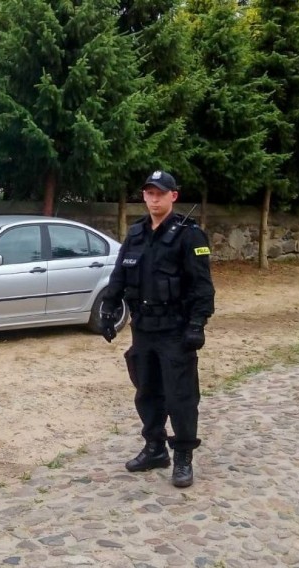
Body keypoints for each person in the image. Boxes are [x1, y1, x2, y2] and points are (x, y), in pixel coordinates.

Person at [100, 170, 215, 488]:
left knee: (180, 397)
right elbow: (119, 276)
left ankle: (183, 458)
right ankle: (154, 448)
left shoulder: (189, 235)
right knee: (146, 392)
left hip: (175, 330)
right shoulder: (136, 234)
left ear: (173, 196)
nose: (153, 199)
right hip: (144, 329)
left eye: (160, 193)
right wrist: (109, 309)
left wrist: (197, 323)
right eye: (149, 193)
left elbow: (202, 286)